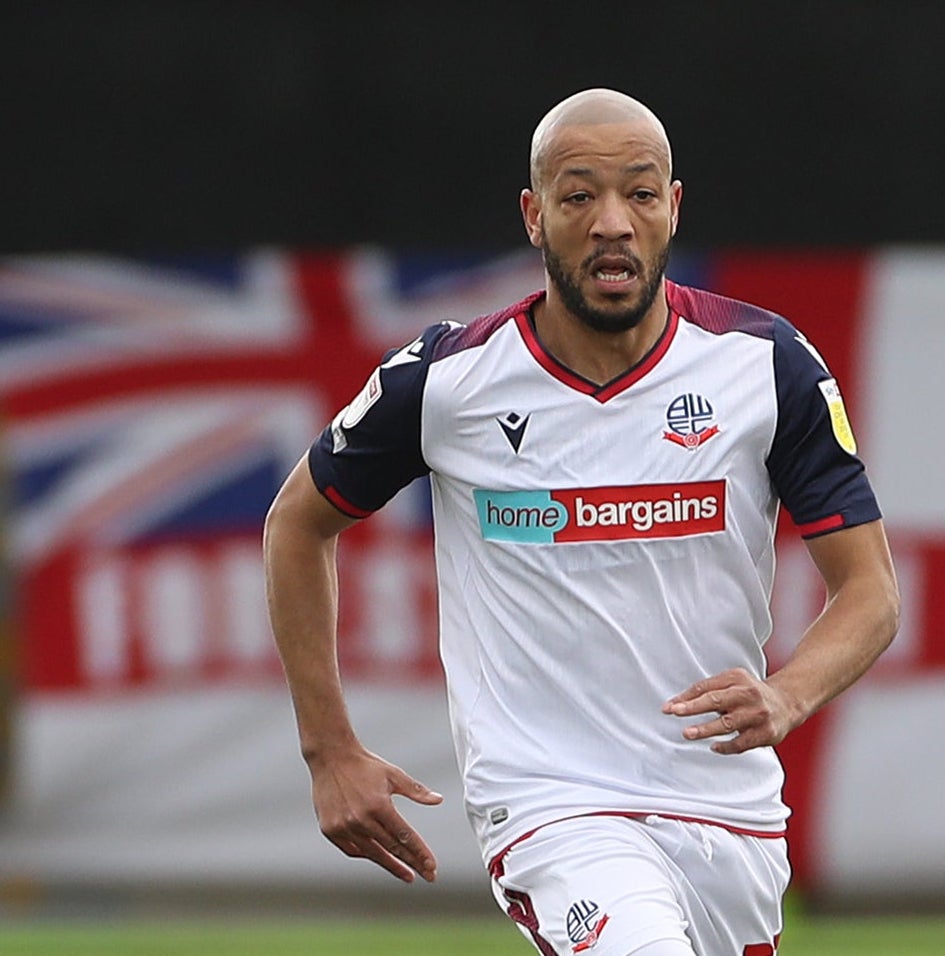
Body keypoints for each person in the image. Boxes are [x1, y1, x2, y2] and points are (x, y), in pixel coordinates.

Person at [264, 88, 899, 956]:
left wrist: (787, 693)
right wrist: (327, 749)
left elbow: (870, 593)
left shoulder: (767, 367)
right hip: (550, 802)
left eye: (638, 194)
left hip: (726, 808)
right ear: (533, 215)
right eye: (577, 196)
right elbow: (297, 525)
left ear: (673, 208)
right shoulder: (446, 383)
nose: (611, 222)